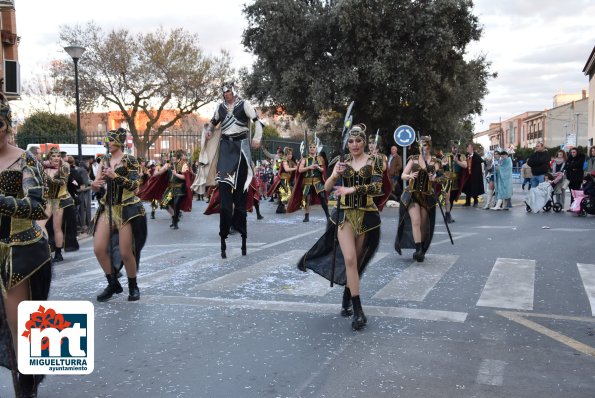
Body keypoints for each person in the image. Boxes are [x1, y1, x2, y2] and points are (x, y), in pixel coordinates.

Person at [298, 123, 383, 331]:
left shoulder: (375, 161)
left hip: (366, 217)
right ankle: (359, 310)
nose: (355, 144)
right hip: (344, 216)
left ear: (364, 142)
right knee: (350, 259)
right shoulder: (341, 162)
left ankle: (347, 294)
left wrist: (351, 188)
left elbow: (377, 187)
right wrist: (335, 175)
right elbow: (324, 189)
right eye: (351, 141)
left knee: (358, 261)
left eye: (359, 141)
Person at [0, 93, 51, 397]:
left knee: (19, 326)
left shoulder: (24, 160)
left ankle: (27, 387)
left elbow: (37, 207)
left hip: (17, 250)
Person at [91, 128, 147, 302]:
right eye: (107, 139)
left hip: (126, 209)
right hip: (108, 208)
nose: (108, 142)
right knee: (99, 249)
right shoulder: (104, 160)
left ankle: (133, 286)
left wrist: (115, 176)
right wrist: (95, 184)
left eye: (111, 139)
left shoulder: (130, 160)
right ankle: (113, 283)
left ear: (120, 142)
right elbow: (97, 183)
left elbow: (135, 186)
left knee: (125, 252)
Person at [208, 82, 262, 258]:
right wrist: (209, 130)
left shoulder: (244, 104)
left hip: (241, 148)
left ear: (234, 91)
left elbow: (256, 120)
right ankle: (224, 230)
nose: (226, 95)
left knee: (240, 195)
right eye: (224, 93)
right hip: (225, 148)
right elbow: (213, 122)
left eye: (229, 92)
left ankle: (241, 228)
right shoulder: (220, 108)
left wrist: (257, 137)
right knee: (224, 192)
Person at [395, 136, 441, 262]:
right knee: (416, 220)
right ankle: (418, 249)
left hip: (426, 196)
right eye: (421, 146)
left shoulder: (435, 161)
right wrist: (410, 176)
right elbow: (403, 175)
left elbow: (440, 178)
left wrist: (434, 178)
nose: (423, 148)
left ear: (429, 146)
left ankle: (422, 248)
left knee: (423, 224)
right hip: (412, 194)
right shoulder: (413, 159)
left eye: (425, 145)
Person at [37, 147, 74, 262]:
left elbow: (63, 182)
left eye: (58, 156)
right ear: (49, 157)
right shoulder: (45, 167)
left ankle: (58, 253)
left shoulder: (65, 167)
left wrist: (48, 178)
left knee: (56, 227)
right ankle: (47, 251)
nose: (56, 158)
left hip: (60, 199)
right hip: (49, 200)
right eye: (53, 156)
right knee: (40, 224)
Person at [287, 138, 331, 222]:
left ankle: (328, 215)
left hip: (318, 181)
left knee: (322, 198)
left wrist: (318, 167)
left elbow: (323, 170)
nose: (312, 148)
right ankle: (306, 216)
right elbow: (300, 170)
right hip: (307, 182)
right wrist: (309, 167)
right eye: (310, 147)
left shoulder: (320, 159)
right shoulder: (304, 159)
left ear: (316, 148)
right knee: (307, 199)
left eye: (313, 147)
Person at [442, 141, 467, 220]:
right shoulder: (446, 156)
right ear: (451, 148)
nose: (455, 149)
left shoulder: (461, 156)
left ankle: (447, 213)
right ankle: (448, 214)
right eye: (454, 147)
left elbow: (465, 165)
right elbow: (441, 164)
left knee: (452, 198)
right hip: (447, 179)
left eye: (456, 147)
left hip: (456, 180)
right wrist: (443, 164)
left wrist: (457, 161)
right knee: (447, 198)